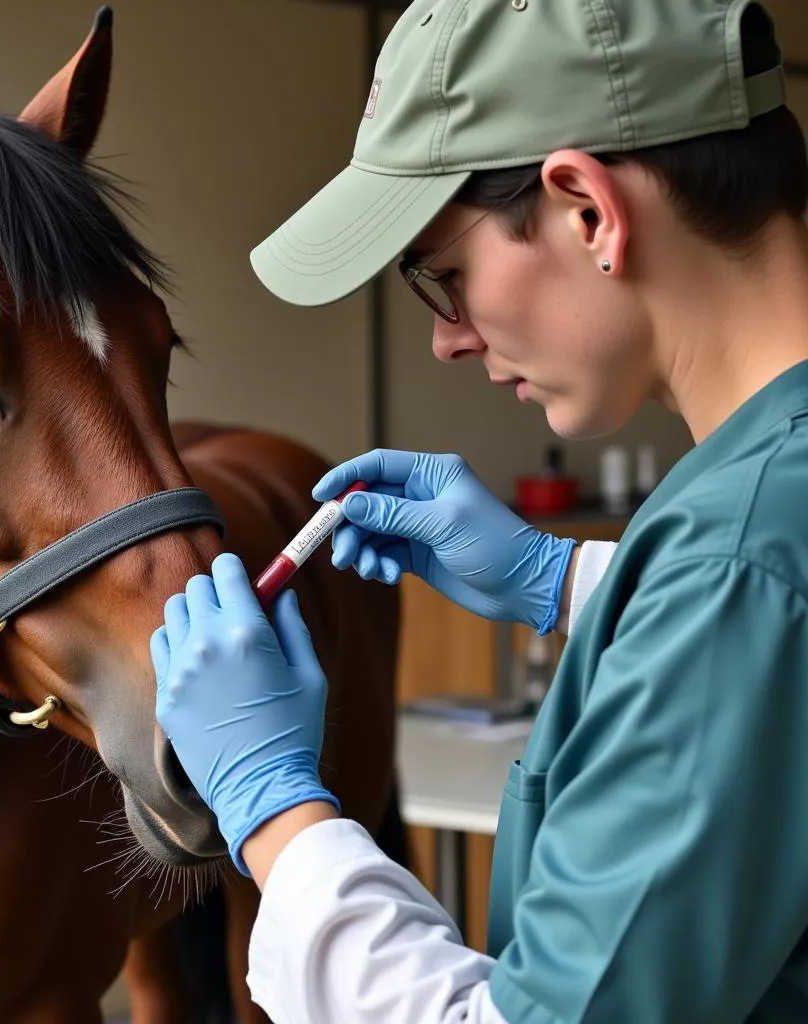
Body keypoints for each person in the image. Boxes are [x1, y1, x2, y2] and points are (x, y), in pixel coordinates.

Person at [151, 0, 808, 1020]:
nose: (447, 340)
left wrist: (276, 811)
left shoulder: (742, 560)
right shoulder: (755, 540)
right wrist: (567, 582)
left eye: (445, 275)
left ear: (587, 208)